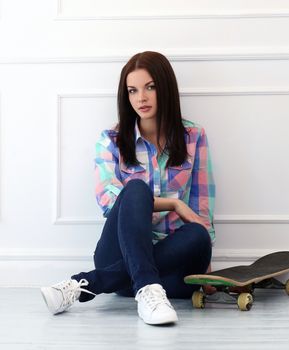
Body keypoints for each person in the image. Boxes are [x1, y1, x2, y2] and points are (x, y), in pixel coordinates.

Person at [40, 51, 215, 325]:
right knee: (135, 189)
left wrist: (208, 268)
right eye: (132, 90)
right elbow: (111, 203)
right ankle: (147, 287)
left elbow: (202, 208)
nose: (141, 98)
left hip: (174, 264)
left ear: (165, 88)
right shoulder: (110, 140)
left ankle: (87, 284)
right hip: (118, 255)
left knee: (199, 235)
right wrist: (173, 204)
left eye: (150, 87)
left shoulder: (194, 137)